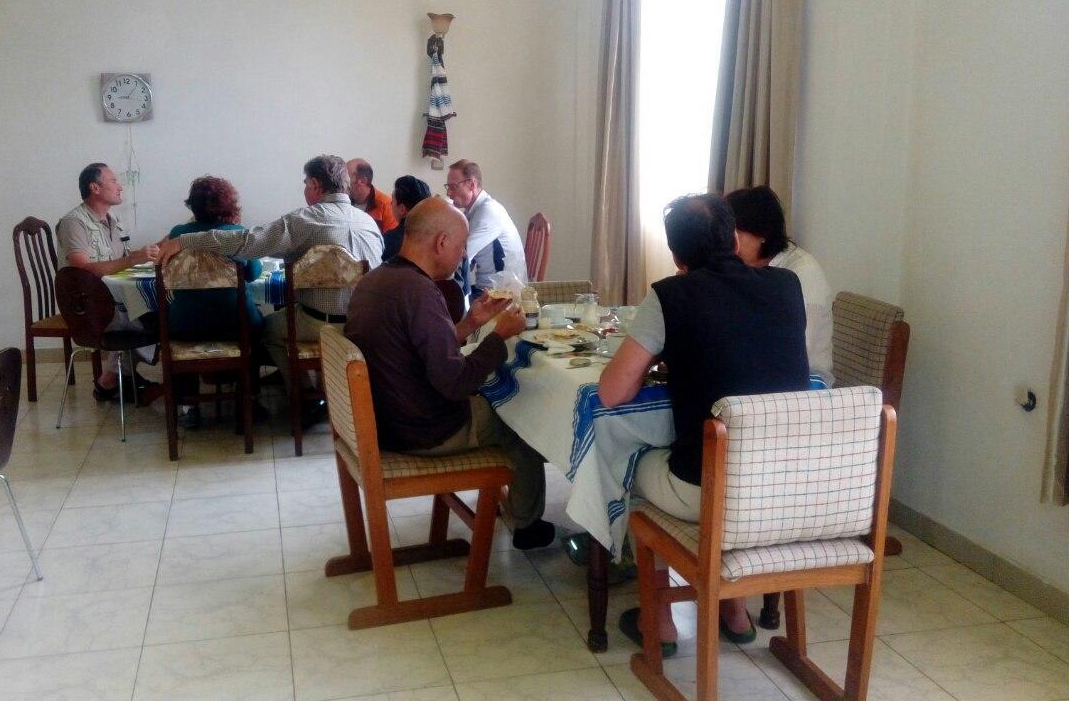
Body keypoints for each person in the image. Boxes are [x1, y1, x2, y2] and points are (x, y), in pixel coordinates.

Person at [598, 193, 809, 652]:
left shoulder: (670, 295)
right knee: (735, 463)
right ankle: (733, 610)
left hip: (708, 490)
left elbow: (612, 393)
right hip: (787, 487)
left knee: (628, 463)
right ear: (734, 239)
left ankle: (663, 622)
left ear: (676, 256)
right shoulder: (788, 285)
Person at [345, 197, 555, 549]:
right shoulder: (419, 291)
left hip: (389, 419)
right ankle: (527, 525)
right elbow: (455, 382)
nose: (462, 256)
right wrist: (500, 336)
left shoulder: (377, 279)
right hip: (426, 430)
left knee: (499, 398)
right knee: (522, 420)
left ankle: (513, 506)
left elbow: (417, 349)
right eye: (460, 246)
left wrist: (470, 323)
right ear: (441, 242)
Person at [158, 155, 383, 404]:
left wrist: (187, 240)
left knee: (268, 333)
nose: (305, 189)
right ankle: (336, 394)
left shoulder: (304, 219)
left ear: (317, 186)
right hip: (365, 323)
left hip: (318, 323)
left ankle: (305, 396)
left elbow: (246, 243)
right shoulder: (370, 223)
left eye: (306, 183)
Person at [165, 176, 266, 428]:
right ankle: (248, 401)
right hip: (234, 323)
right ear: (230, 205)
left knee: (177, 324)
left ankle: (189, 406)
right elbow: (253, 274)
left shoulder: (178, 234)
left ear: (193, 205)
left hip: (185, 326)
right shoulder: (238, 235)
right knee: (257, 329)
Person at [56, 162, 161, 401]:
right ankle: (113, 380)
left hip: (112, 298)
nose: (120, 186)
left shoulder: (112, 219)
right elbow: (81, 270)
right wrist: (135, 258)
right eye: (113, 181)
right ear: (95, 187)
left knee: (157, 311)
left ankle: (115, 378)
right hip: (89, 306)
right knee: (154, 316)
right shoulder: (74, 222)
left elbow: (122, 259)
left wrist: (152, 252)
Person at [726, 186, 835, 386]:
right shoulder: (746, 267)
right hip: (762, 370)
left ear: (762, 233)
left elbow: (797, 350)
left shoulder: (802, 273)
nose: (728, 244)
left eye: (735, 234)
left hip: (805, 382)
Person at [444, 159, 527, 298]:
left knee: (442, 304)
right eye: (448, 187)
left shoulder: (488, 211)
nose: (449, 194)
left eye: (453, 187)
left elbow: (460, 255)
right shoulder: (473, 212)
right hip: (486, 289)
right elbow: (465, 261)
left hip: (503, 296)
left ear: (471, 184)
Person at [382, 175, 431, 261]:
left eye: (393, 200)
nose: (390, 203)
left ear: (402, 209)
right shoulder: (435, 239)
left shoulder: (387, 241)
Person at [346, 158, 399, 234]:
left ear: (363, 181)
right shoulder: (342, 203)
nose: (342, 183)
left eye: (346, 179)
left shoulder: (386, 205)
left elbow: (391, 242)